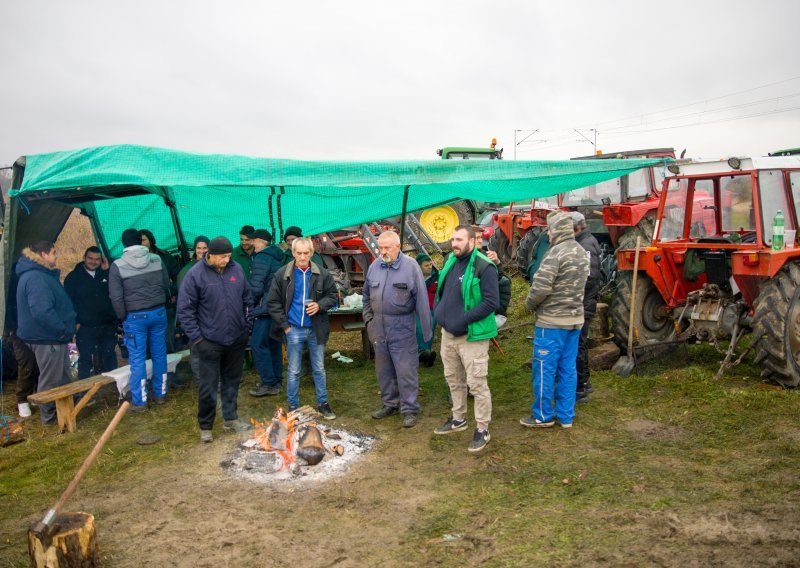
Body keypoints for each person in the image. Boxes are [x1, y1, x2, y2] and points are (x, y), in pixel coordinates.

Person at [178, 236, 253, 443]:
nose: (226, 260)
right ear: (209, 255)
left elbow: (248, 299)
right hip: (209, 341)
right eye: (222, 257)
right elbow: (185, 311)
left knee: (232, 381)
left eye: (229, 256)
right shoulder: (195, 275)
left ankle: (231, 418)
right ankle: (206, 426)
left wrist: (247, 327)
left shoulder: (236, 270)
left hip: (236, 338)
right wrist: (198, 340)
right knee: (208, 386)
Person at [433, 225, 499, 453]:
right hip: (448, 334)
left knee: (477, 383)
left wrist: (464, 319)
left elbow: (491, 302)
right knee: (453, 378)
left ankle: (483, 428)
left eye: (459, 240)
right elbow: (443, 290)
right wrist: (438, 311)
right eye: (453, 239)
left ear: (472, 241)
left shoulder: (484, 266)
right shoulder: (451, 260)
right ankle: (458, 418)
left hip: (472, 336)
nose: (454, 244)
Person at [520, 211, 589, 429]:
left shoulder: (555, 253)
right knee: (568, 369)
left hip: (551, 323)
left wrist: (528, 305)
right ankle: (566, 416)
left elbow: (540, 288)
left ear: (556, 230)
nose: (548, 233)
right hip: (575, 321)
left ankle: (542, 415)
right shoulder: (580, 251)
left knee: (544, 369)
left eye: (549, 229)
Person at [363, 232, 432, 428]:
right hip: (379, 327)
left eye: (387, 248)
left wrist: (426, 334)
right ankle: (389, 404)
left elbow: (421, 301)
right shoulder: (374, 266)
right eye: (380, 247)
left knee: (406, 370)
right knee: (383, 370)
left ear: (398, 246)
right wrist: (369, 320)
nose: (382, 251)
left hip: (402, 327)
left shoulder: (410, 267)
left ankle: (409, 409)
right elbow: (366, 296)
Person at [267, 237, 338, 419]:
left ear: (312, 253)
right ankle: (293, 407)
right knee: (293, 370)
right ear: (293, 253)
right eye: (299, 253)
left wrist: (319, 305)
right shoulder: (282, 274)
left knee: (319, 368)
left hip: (316, 328)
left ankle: (323, 404)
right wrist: (285, 326)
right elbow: (273, 302)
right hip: (293, 329)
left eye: (306, 253)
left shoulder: (322, 274)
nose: (302, 256)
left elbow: (332, 296)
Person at [109, 228, 170, 412]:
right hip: (158, 313)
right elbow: (166, 283)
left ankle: (140, 401)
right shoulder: (156, 259)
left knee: (137, 359)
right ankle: (160, 394)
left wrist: (122, 317)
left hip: (135, 318)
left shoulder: (118, 266)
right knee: (160, 354)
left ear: (124, 243)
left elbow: (116, 297)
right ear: (140, 241)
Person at [15, 242, 76, 424]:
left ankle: (65, 411)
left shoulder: (39, 274)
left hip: (52, 336)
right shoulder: (36, 278)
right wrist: (62, 330)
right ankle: (49, 418)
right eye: (53, 253)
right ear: (43, 254)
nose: (56, 257)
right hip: (48, 337)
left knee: (63, 375)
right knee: (51, 379)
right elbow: (42, 311)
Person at [64, 247, 118, 379]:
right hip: (85, 326)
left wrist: (107, 271)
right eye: (90, 258)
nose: (93, 262)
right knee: (85, 358)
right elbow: (67, 303)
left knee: (109, 355)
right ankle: (84, 391)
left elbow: (115, 293)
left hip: (106, 324)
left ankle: (114, 386)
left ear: (102, 260)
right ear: (84, 258)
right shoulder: (73, 277)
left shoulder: (106, 274)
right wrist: (75, 322)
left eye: (97, 259)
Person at [247, 229, 285, 397]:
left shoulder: (261, 258)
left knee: (258, 344)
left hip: (264, 309)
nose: (251, 243)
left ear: (261, 241)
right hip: (276, 308)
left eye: (253, 240)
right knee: (274, 344)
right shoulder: (277, 257)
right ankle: (277, 380)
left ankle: (268, 383)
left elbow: (256, 288)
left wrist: (249, 305)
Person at [570, 212, 601, 404]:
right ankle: (584, 382)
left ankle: (580, 387)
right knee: (579, 344)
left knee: (578, 345)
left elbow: (589, 277)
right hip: (582, 301)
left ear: (576, 228)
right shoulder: (583, 242)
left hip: (583, 302)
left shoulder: (586, 245)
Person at [4, 262, 39, 418]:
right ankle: (22, 399)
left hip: (37, 328)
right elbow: (7, 305)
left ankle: (36, 396)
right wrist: (10, 328)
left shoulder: (39, 277)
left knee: (39, 363)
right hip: (18, 330)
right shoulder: (10, 281)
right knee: (27, 364)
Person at [176, 235, 210, 382]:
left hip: (212, 317)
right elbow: (184, 299)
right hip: (195, 317)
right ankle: (201, 380)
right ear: (194, 250)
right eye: (198, 248)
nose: (202, 251)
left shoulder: (215, 267)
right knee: (197, 350)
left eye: (205, 248)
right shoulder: (187, 271)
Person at [140, 229, 180, 354]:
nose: (141, 243)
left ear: (151, 241)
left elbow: (179, 277)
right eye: (139, 241)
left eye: (144, 240)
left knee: (167, 342)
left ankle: (170, 371)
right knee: (147, 345)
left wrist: (171, 292)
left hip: (165, 306)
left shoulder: (165, 257)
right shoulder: (134, 260)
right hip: (144, 308)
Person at [415, 254, 438, 367]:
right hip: (418, 309)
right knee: (420, 329)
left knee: (431, 328)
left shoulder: (436, 277)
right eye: (426, 265)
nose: (429, 267)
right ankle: (423, 352)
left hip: (432, 309)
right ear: (419, 267)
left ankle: (426, 352)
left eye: (430, 264)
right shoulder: (413, 278)